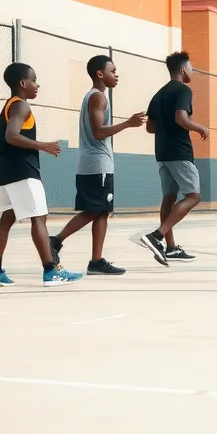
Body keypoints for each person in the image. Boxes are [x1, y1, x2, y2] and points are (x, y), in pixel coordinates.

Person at [0, 62, 83, 288]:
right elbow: (11, 137)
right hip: (23, 170)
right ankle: (51, 271)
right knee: (39, 218)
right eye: (34, 80)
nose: (37, 85)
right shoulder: (21, 107)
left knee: (7, 219)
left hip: (3, 170)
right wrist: (43, 146)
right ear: (23, 83)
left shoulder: (8, 106)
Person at [49, 55, 146, 275]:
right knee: (94, 210)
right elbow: (98, 132)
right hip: (96, 166)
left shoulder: (95, 96)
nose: (116, 74)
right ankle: (55, 241)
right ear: (100, 74)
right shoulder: (98, 97)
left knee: (102, 211)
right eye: (112, 70)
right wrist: (128, 124)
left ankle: (96, 261)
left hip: (97, 164)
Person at [138, 50, 208, 265]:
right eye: (190, 67)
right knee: (193, 196)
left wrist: (166, 127)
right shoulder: (183, 91)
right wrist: (199, 128)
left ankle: (171, 248)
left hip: (163, 152)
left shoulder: (158, 94)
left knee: (169, 197)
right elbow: (181, 118)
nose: (191, 70)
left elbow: (150, 127)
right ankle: (156, 236)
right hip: (179, 151)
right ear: (181, 69)